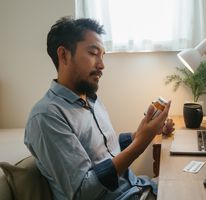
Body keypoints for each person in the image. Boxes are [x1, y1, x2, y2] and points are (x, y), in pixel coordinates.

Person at [24, 17, 174, 200]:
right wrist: (139, 144)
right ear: (63, 55)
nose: (102, 65)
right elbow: (83, 192)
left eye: (102, 56)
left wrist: (141, 134)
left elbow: (105, 152)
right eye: (93, 53)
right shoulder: (46, 117)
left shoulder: (90, 100)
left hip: (139, 188)